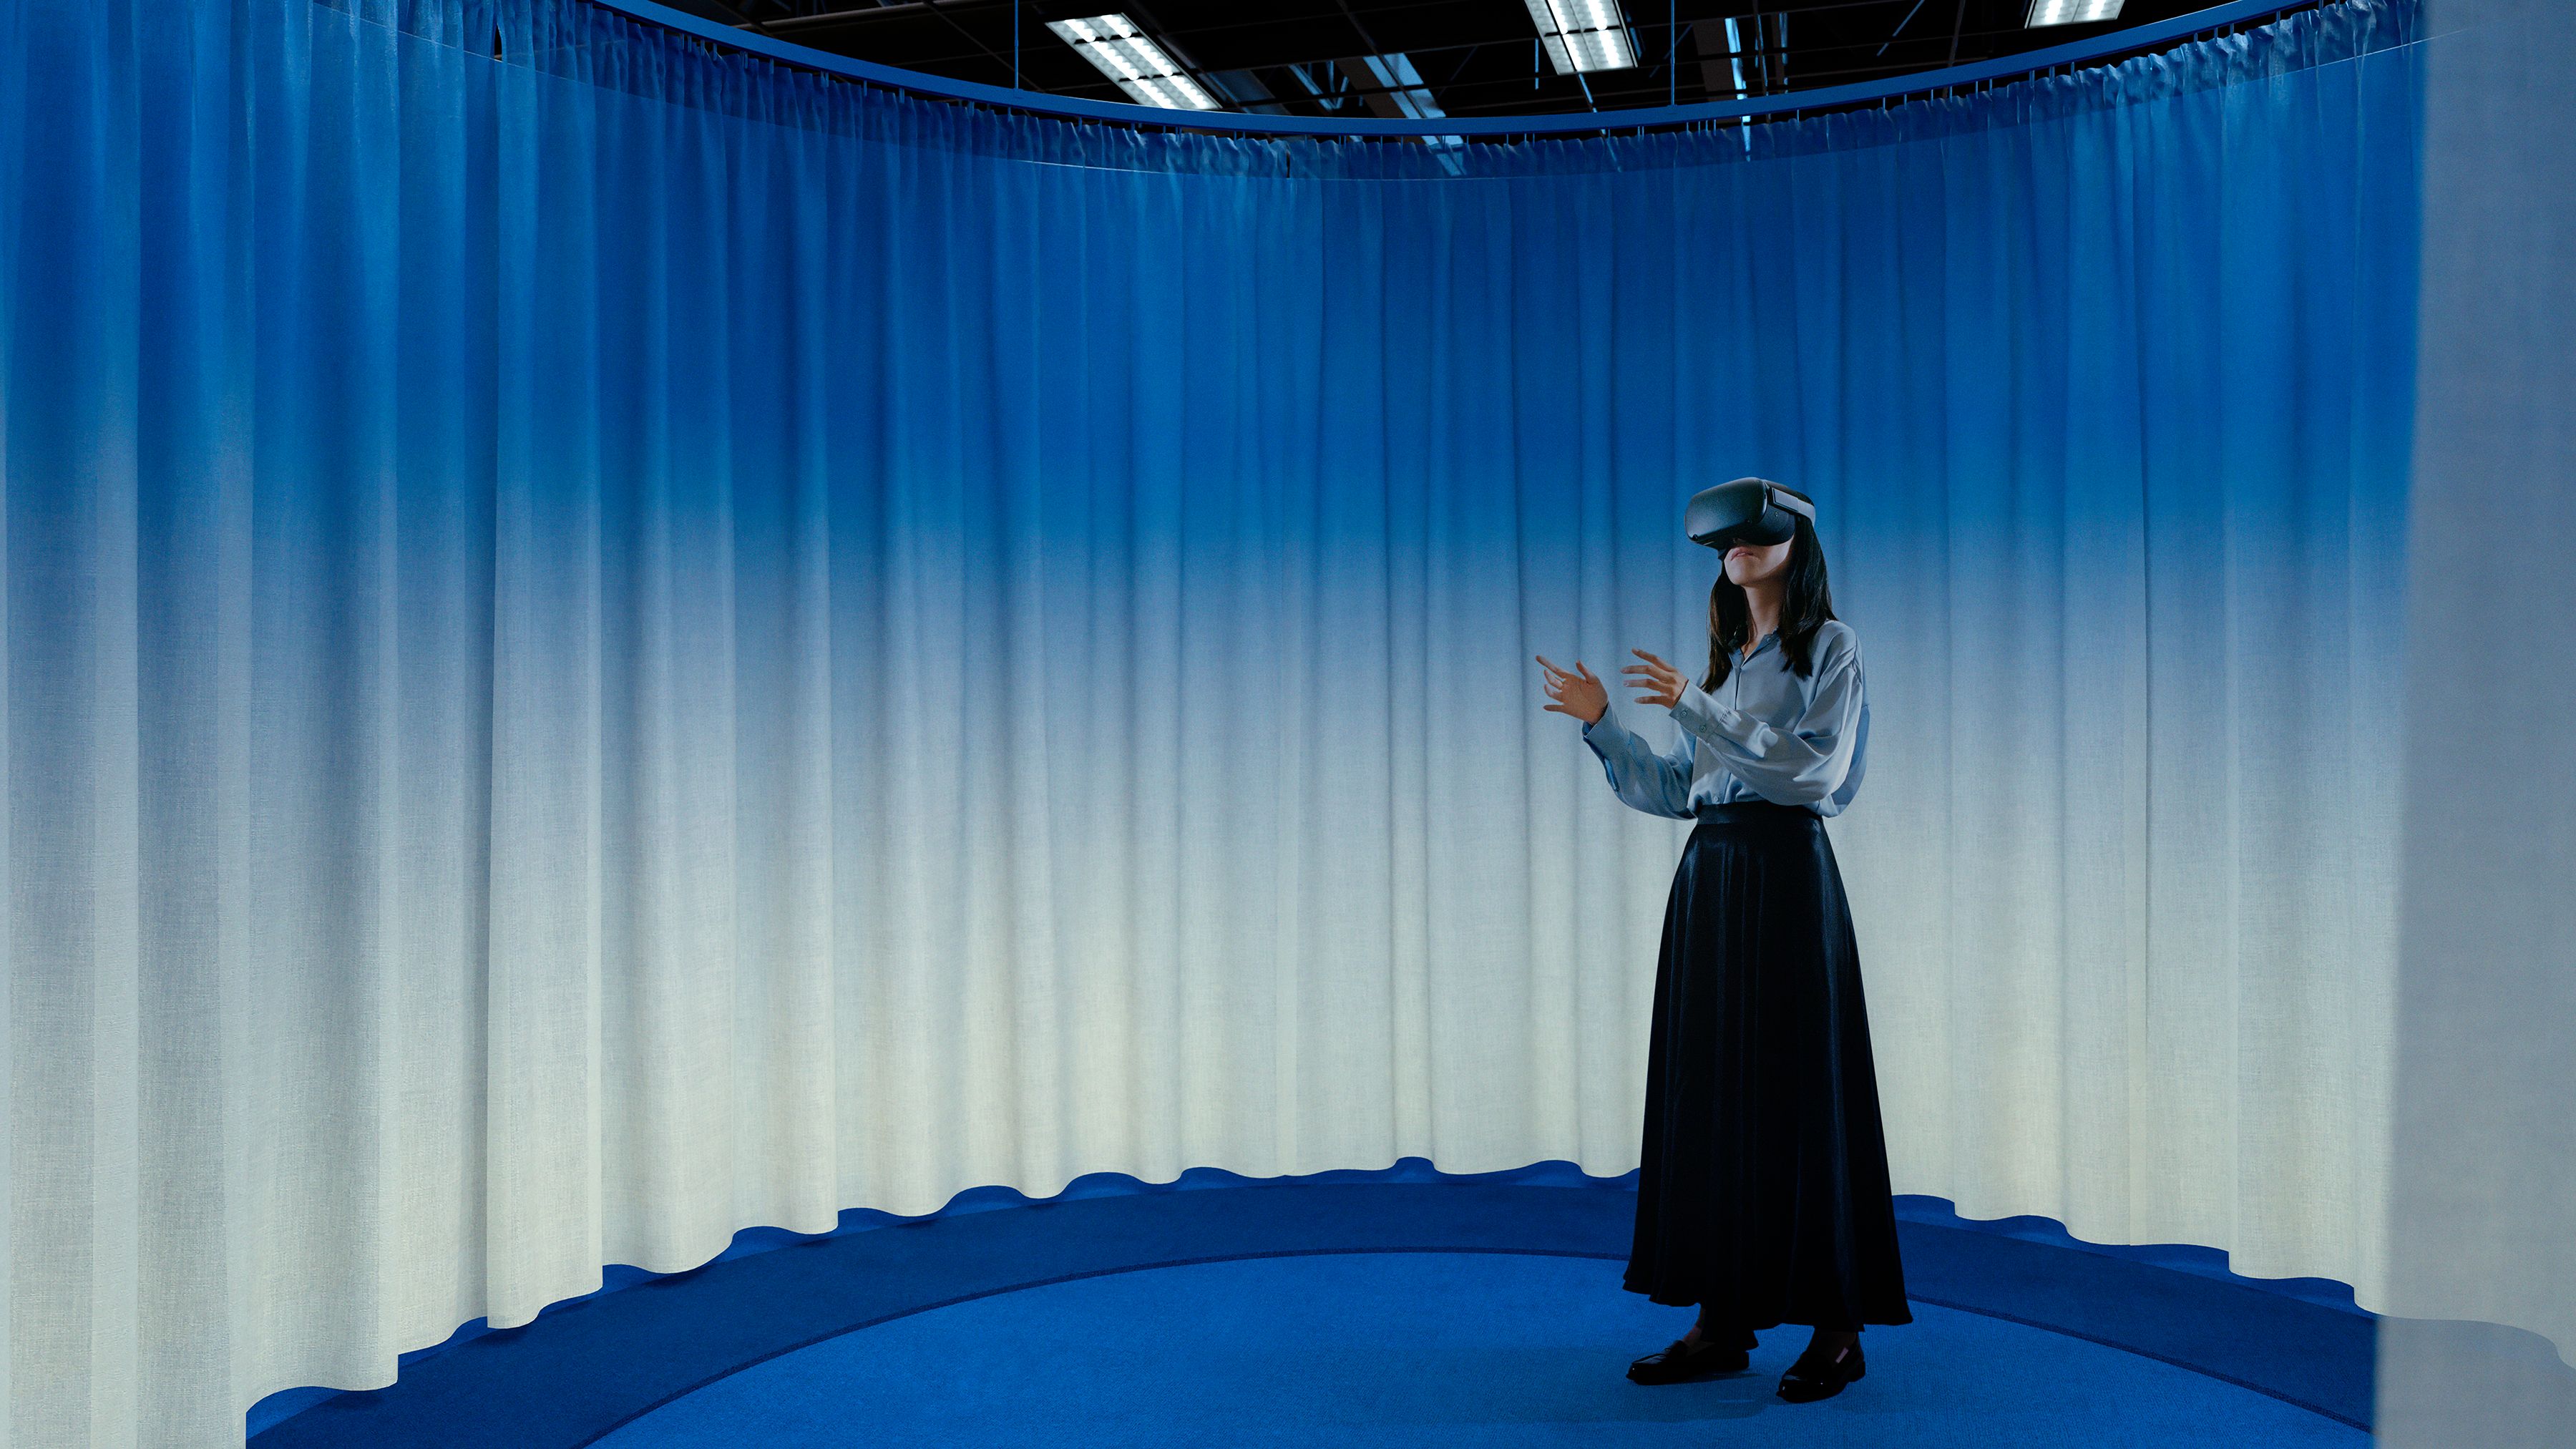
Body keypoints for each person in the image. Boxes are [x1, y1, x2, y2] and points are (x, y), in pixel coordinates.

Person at [1533, 482, 1909, 1404]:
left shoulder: (1832, 648)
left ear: (1791, 541)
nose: (1735, 551)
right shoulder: (1723, 659)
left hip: (1787, 880)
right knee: (1711, 1094)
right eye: (1723, 544)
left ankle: (1837, 1328)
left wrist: (1700, 712)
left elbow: (1812, 773)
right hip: (1712, 881)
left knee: (1800, 1090)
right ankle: (1723, 1318)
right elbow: (1675, 790)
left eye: (1751, 536)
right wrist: (1603, 724)